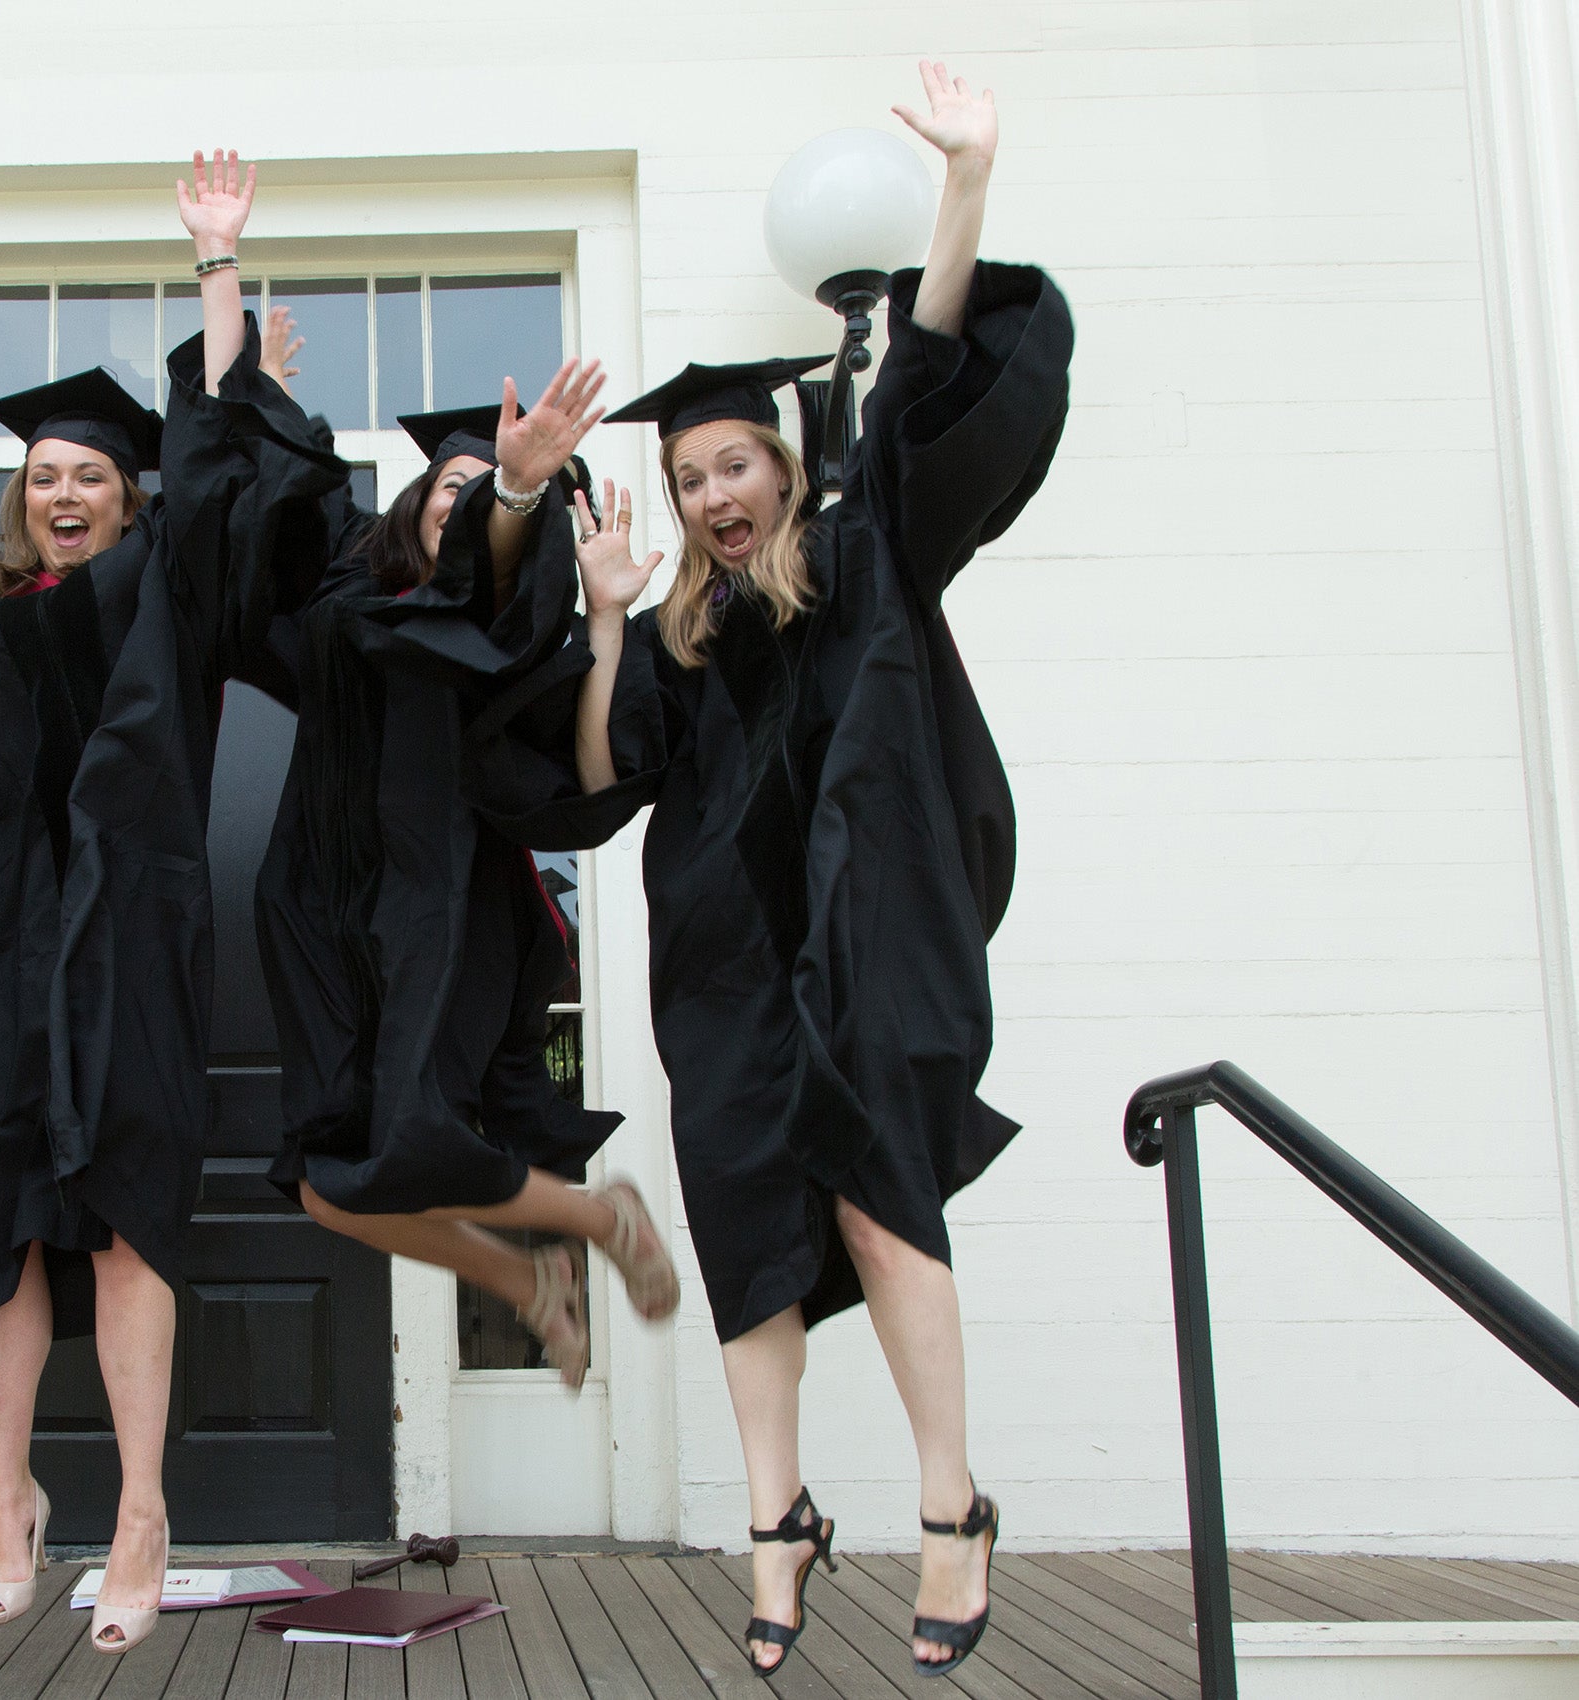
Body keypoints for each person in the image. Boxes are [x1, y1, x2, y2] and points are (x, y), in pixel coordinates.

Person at [516, 62, 1071, 1679]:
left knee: (887, 1198)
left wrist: (966, 183)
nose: (714, 495)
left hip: (868, 942)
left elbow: (922, 373)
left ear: (779, 465)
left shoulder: (866, 553)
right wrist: (612, 620)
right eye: (690, 481)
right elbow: (609, 771)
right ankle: (780, 1522)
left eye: (734, 468)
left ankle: (953, 1509)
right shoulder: (685, 638)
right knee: (751, 1228)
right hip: (726, 971)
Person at [0, 152, 349, 1654]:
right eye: (44, 477)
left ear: (124, 493)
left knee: (129, 1220)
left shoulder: (164, 598)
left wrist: (216, 264)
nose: (67, 490)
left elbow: (217, 480)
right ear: (16, 503)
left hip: (130, 945)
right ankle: (9, 1492)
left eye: (92, 473)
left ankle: (141, 1508)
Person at [229, 325, 683, 1384]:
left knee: (415, 1132)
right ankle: (532, 1279)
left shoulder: (510, 637)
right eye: (449, 484)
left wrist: (597, 608)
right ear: (412, 503)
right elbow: (269, 541)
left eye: (489, 490)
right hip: (321, 908)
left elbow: (590, 766)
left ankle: (594, 1217)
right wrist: (261, 402)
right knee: (325, 1185)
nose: (464, 499)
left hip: (447, 918)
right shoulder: (349, 609)